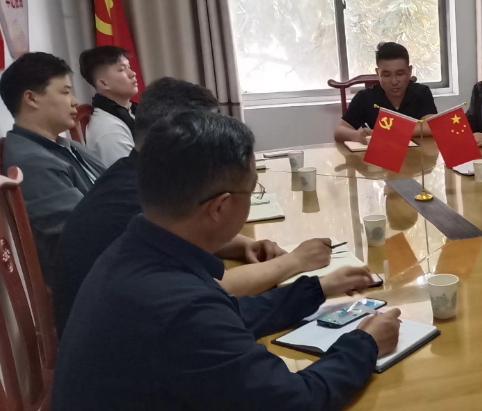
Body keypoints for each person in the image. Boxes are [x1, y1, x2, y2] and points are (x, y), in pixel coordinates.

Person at [52, 110, 402, 410]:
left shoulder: (134, 250)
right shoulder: (179, 307)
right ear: (220, 207)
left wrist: (317, 289)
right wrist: (365, 344)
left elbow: (229, 315)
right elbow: (295, 401)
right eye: (252, 190)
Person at [54, 78, 332, 337]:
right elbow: (214, 292)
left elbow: (182, 232)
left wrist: (243, 245)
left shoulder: (138, 175)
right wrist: (295, 261)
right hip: (124, 341)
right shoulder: (135, 199)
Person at [0, 52, 105, 294]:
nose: (75, 101)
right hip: (94, 285)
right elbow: (86, 234)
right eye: (65, 92)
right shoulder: (31, 161)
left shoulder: (66, 145)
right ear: (31, 98)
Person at [334, 42, 438, 144]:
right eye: (387, 75)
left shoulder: (421, 92)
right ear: (377, 73)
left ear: (410, 71)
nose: (394, 81)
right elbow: (339, 131)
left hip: (417, 153)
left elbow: (433, 126)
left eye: (400, 74)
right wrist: (358, 135)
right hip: (380, 153)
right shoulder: (365, 97)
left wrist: (390, 132)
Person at [79, 45, 139, 167]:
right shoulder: (109, 131)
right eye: (121, 69)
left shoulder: (131, 111)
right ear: (103, 83)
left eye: (129, 67)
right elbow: (130, 175)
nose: (132, 73)